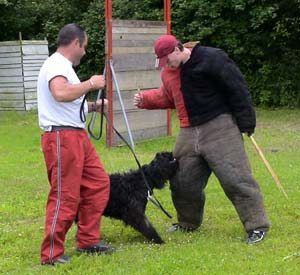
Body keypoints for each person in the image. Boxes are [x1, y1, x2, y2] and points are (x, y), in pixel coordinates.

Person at [134, 34, 270, 244]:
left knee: (236, 179)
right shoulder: (169, 73)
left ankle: (257, 226)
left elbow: (237, 87)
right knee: (182, 180)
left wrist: (246, 121)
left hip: (220, 126)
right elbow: (168, 96)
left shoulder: (212, 58)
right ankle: (188, 223)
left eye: (167, 59)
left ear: (178, 49)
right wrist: (145, 100)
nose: (166, 65)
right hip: (188, 130)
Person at [37, 23, 115, 265]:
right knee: (65, 195)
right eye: (84, 47)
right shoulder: (56, 65)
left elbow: (66, 101)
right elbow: (60, 93)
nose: (85, 52)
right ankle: (51, 255)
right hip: (62, 138)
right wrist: (92, 84)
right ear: (76, 43)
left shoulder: (64, 67)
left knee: (98, 183)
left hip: (76, 135)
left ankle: (88, 240)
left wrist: (92, 106)